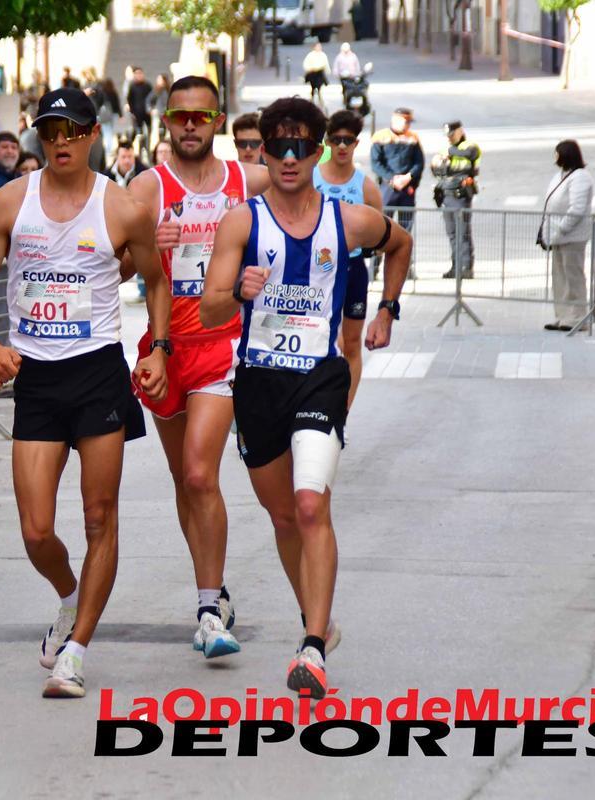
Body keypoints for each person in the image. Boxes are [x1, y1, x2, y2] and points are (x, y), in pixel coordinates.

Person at [0, 87, 171, 698]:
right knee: (35, 530)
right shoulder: (8, 202)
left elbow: (156, 282)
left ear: (92, 135)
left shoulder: (124, 208)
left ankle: (77, 649)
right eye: (50, 132)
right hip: (38, 378)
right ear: (39, 137)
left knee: (100, 518)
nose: (61, 142)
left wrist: (158, 349)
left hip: (99, 371)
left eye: (73, 131)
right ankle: (68, 597)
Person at [200, 97, 411, 699]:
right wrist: (238, 290)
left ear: (318, 152)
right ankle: (316, 617)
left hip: (321, 376)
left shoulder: (346, 220)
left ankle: (313, 649)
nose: (290, 158)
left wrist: (388, 310)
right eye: (278, 147)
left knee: (311, 505)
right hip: (259, 382)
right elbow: (209, 306)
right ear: (262, 150)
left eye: (302, 147)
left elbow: (402, 244)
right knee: (283, 515)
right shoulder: (242, 221)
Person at [123, 75, 273, 659]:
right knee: (184, 482)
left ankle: (208, 610)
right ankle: (216, 587)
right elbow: (109, 270)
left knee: (199, 475)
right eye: (180, 117)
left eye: (201, 116)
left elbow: (305, 201)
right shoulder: (146, 187)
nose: (190, 125)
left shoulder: (247, 180)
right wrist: (141, 245)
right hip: (165, 346)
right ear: (166, 122)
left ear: (217, 120)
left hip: (225, 344)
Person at [313, 110, 383, 411]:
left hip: (353, 269)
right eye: (336, 140)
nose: (342, 147)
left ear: (356, 144)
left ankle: (341, 413)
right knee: (316, 338)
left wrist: (368, 245)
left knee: (350, 344)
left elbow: (383, 234)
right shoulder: (312, 177)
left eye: (348, 141)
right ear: (327, 142)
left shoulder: (364, 186)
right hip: (316, 269)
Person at [541, 140, 594, 332]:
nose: (555, 157)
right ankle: (562, 315)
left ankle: (577, 317)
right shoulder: (560, 175)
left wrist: (562, 228)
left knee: (573, 277)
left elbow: (577, 208)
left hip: (572, 236)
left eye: (557, 154)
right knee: (559, 277)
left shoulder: (581, 177)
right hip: (557, 236)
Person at [431, 120, 481, 279]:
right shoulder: (445, 149)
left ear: (460, 131)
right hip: (447, 193)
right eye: (447, 135)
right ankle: (456, 265)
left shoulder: (469, 146)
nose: (449, 138)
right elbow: (437, 169)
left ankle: (466, 266)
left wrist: (449, 153)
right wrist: (437, 163)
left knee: (463, 232)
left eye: (452, 134)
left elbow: (469, 156)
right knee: (452, 232)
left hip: (461, 195)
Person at [370, 107, 423, 239]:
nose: (408, 125)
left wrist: (408, 177)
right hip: (388, 187)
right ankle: (377, 259)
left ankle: (403, 257)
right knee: (382, 227)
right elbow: (376, 163)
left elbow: (419, 163)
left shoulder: (413, 138)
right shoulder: (381, 137)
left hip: (407, 187)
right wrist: (392, 178)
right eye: (405, 122)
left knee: (405, 229)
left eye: (409, 122)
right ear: (395, 120)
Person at [125, 66, 153, 153]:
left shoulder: (147, 85)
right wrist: (132, 112)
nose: (139, 75)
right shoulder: (132, 86)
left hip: (147, 113)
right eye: (137, 74)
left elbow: (152, 98)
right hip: (137, 114)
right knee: (139, 132)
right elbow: (130, 99)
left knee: (148, 131)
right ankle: (140, 148)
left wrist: (151, 108)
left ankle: (147, 148)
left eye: (140, 73)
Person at [94, 78, 122, 161]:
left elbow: (97, 104)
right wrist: (120, 115)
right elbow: (117, 104)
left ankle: (107, 150)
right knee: (109, 133)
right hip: (113, 115)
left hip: (103, 117)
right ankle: (108, 150)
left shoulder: (101, 93)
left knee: (106, 133)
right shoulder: (113, 92)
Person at [147, 73, 171, 149]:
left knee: (166, 131)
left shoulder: (169, 90)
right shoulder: (156, 91)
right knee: (158, 130)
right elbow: (149, 100)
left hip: (167, 114)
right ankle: (160, 144)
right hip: (159, 114)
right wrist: (150, 109)